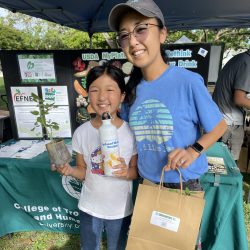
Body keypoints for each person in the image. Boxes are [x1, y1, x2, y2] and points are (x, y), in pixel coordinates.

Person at [108, 0, 227, 191]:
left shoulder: (188, 81)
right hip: (145, 184)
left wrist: (193, 151)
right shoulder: (132, 89)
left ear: (163, 33)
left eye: (141, 29)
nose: (132, 41)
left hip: (182, 186)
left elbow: (219, 126)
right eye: (124, 35)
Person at [53, 63, 138, 250]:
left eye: (110, 90)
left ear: (122, 95)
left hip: (120, 209)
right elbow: (83, 171)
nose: (102, 97)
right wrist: (69, 170)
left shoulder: (131, 132)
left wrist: (125, 172)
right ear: (87, 94)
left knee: (118, 247)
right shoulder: (82, 132)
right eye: (94, 90)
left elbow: (136, 171)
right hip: (89, 207)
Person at [212, 49, 250, 161]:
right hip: (229, 125)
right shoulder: (247, 62)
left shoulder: (240, 59)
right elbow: (239, 99)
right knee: (226, 171)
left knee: (217, 170)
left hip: (222, 121)